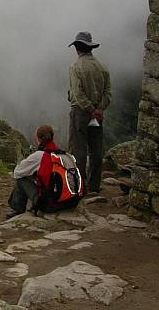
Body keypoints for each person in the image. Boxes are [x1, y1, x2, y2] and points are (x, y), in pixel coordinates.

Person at [67, 31, 111, 194]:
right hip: (97, 114)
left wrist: (90, 110)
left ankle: (79, 186)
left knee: (78, 149)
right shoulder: (102, 67)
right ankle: (94, 186)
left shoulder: (75, 67)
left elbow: (78, 94)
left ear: (78, 47)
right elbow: (108, 93)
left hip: (80, 112)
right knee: (96, 149)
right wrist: (98, 110)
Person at [7, 125, 59, 218]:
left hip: (49, 204)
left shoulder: (39, 155)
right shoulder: (61, 154)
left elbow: (17, 172)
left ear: (38, 139)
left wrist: (31, 175)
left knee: (21, 180)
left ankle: (17, 208)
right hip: (67, 201)